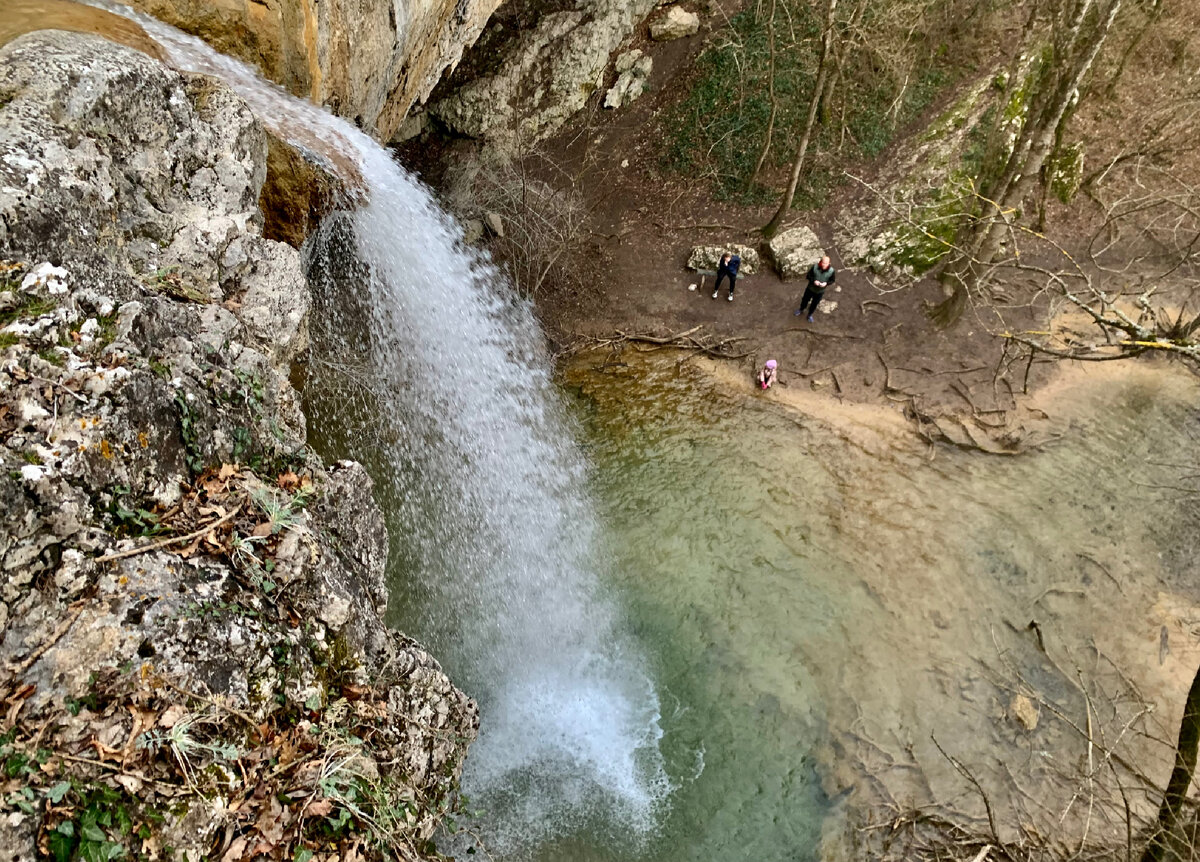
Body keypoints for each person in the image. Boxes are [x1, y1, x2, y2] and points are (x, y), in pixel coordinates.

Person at [795, 255, 836, 321]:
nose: (824, 265)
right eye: (823, 263)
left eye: (826, 263)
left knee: (815, 303)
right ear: (821, 262)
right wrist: (814, 281)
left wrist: (826, 283)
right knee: (805, 300)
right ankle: (801, 309)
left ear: (829, 263)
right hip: (810, 288)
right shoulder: (815, 267)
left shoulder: (831, 271)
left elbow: (832, 280)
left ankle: (810, 314)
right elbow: (808, 276)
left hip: (820, 291)